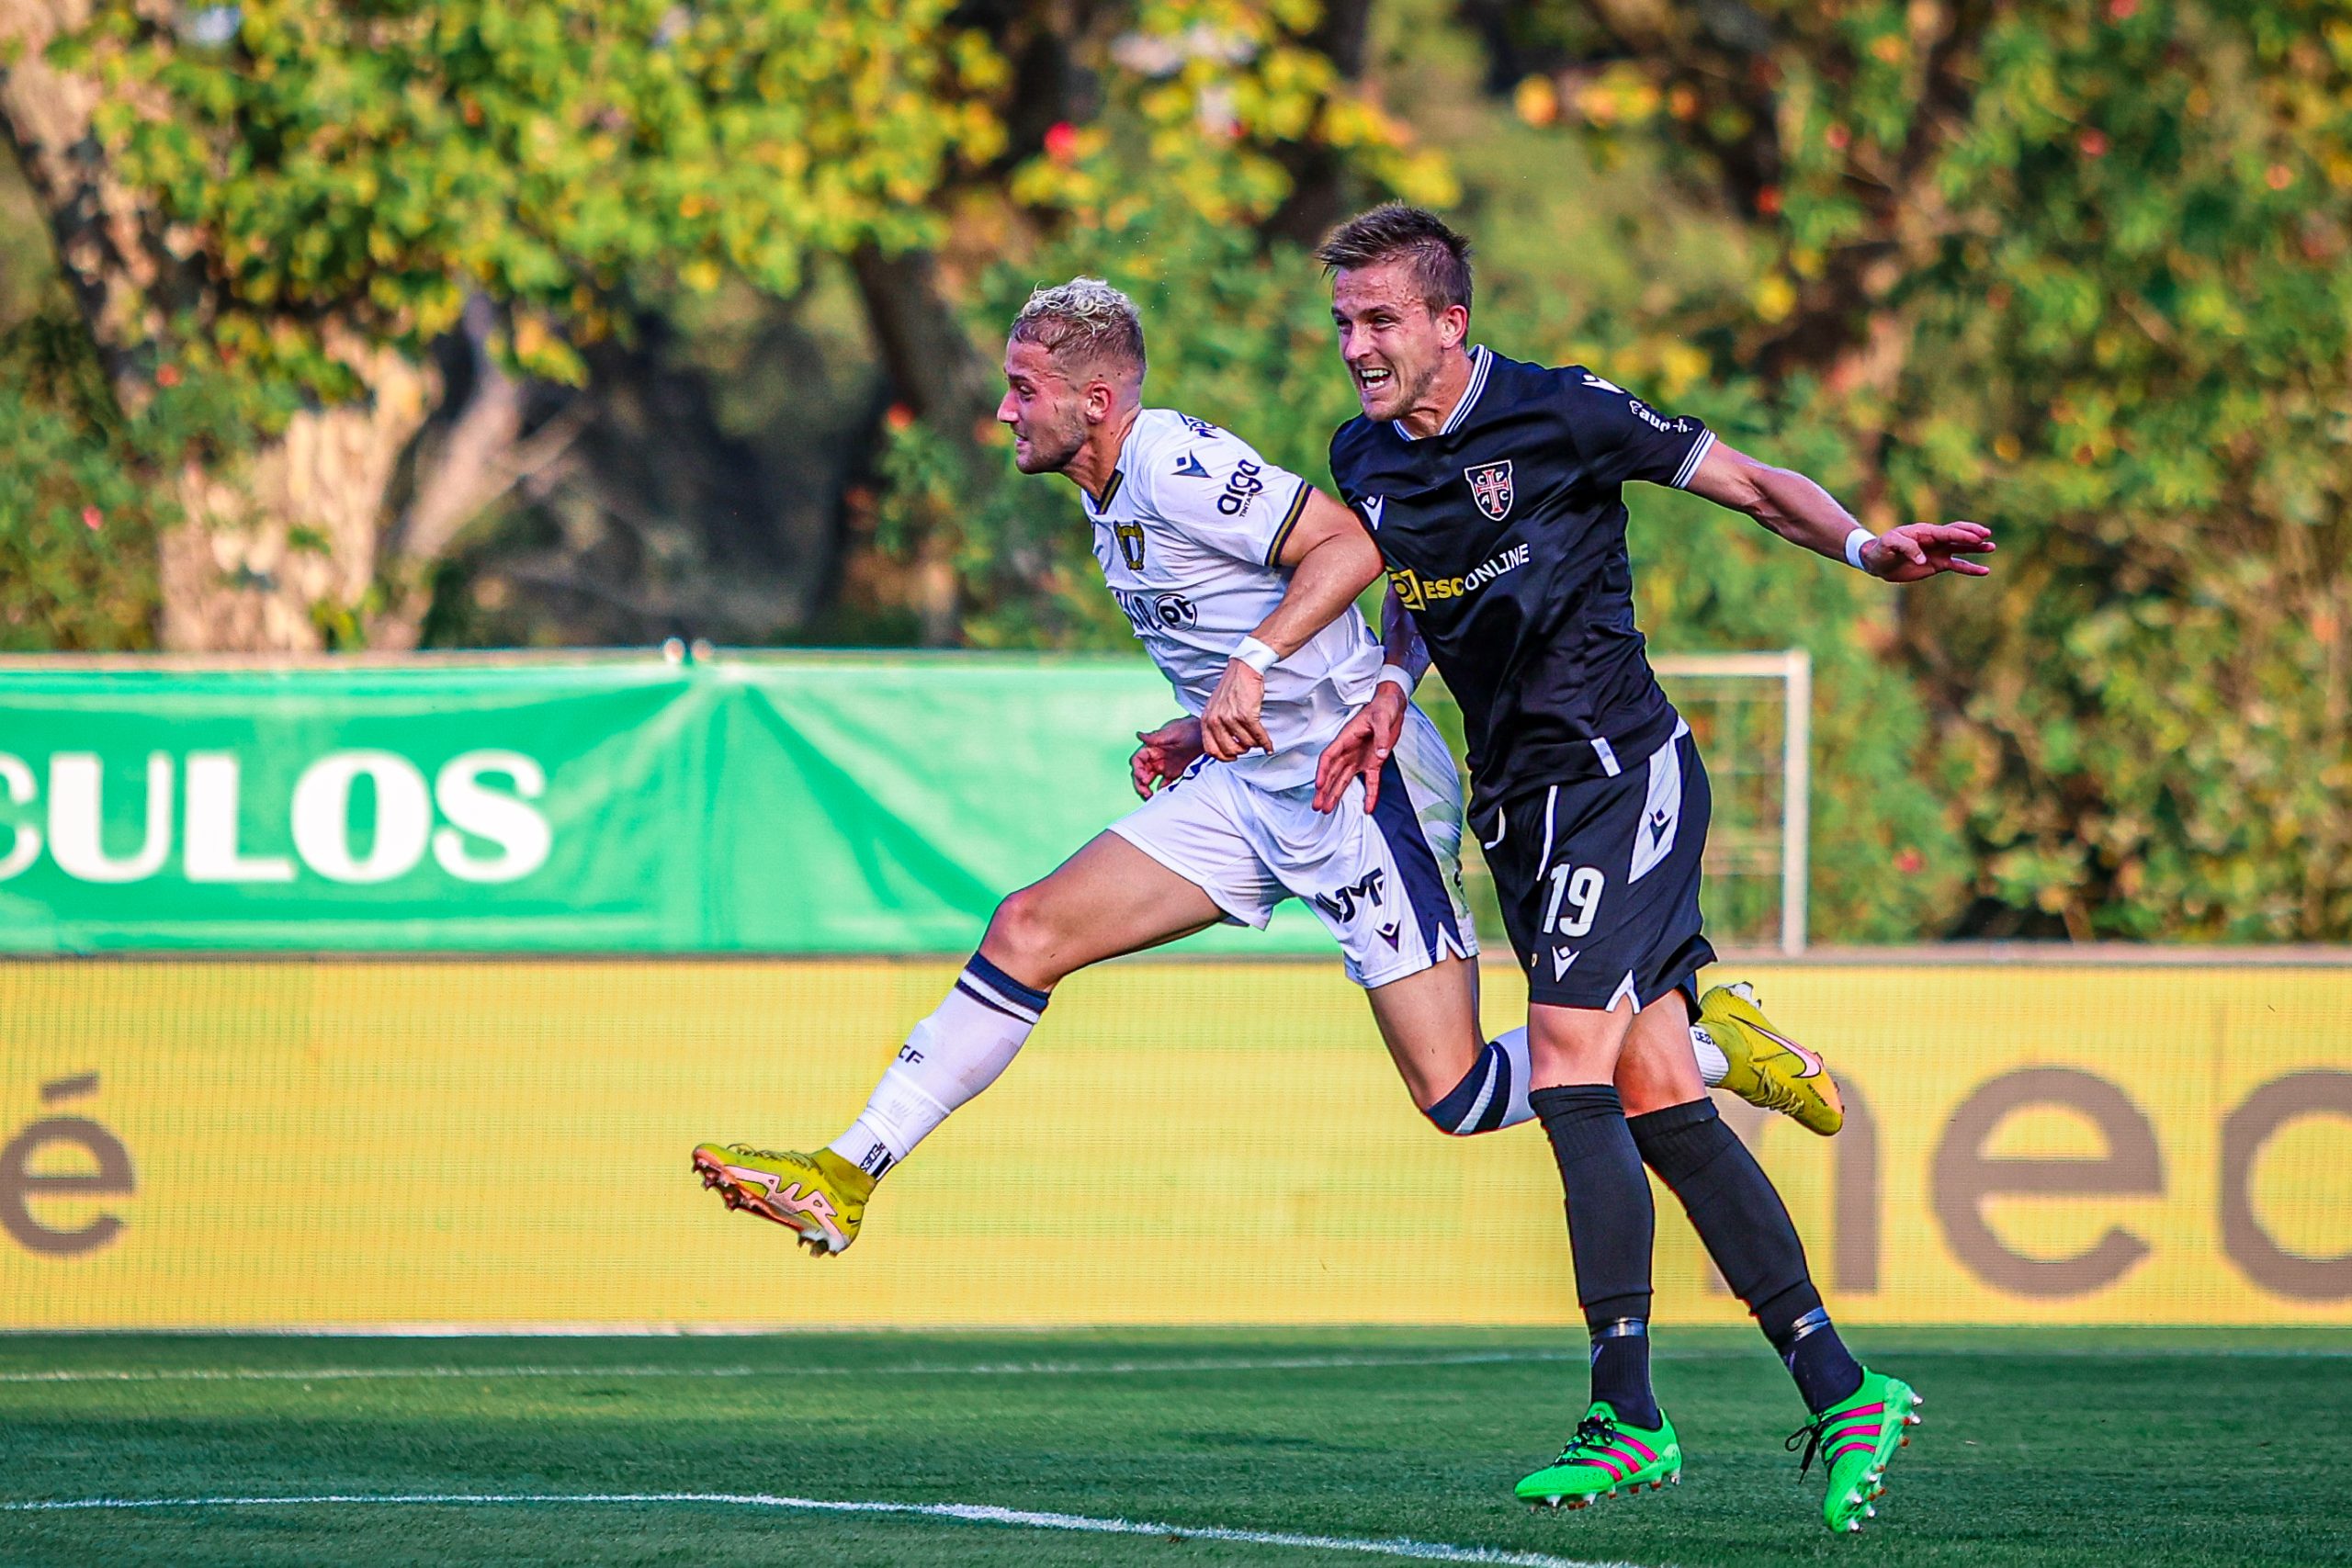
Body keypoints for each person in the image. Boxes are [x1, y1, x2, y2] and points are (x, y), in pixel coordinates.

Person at [690, 277, 1838, 1272]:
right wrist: (1206, 724)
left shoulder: (1174, 461)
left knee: (1455, 1096)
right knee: (1028, 928)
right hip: (1249, 789)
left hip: (1356, 789)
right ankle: (849, 1171)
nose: (1003, 409)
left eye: (1022, 388)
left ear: (1096, 401)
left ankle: (1705, 1045)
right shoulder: (1100, 499)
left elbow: (1351, 544)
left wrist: (1248, 668)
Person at [1311, 206, 1990, 1534]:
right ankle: (1840, 1381)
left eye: (1380, 319)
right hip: (1518, 804)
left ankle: (1626, 1410)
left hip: (1619, 775)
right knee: (1658, 1087)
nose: (1357, 347)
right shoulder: (1362, 456)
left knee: (1567, 1059)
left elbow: (1743, 480)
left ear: (1451, 320)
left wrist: (1864, 547)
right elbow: (1407, 584)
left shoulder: (1560, 412)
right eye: (1343, 323)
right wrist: (1392, 686)